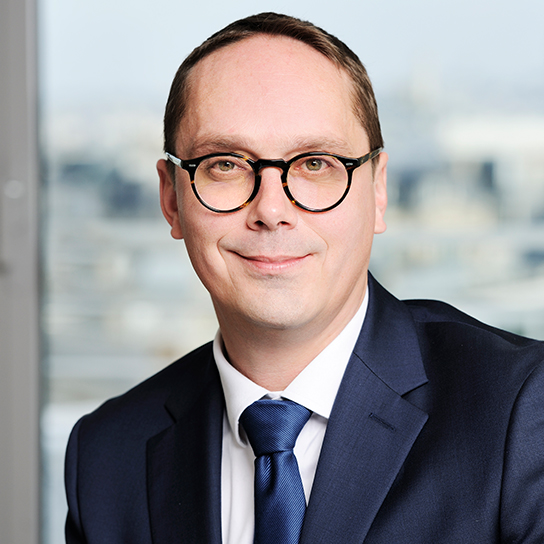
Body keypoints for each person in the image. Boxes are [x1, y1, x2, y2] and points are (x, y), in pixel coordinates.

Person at [64, 12, 544, 544]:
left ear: (378, 191)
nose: (271, 210)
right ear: (171, 198)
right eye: (225, 164)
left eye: (315, 163)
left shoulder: (521, 409)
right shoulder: (106, 457)